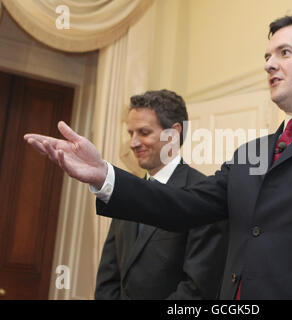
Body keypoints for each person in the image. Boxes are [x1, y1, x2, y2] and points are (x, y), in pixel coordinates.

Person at [24, 10, 292, 299]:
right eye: (267, 56)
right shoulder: (251, 154)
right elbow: (181, 204)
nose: (269, 64)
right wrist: (104, 176)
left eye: (283, 52)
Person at [94, 90, 228, 299]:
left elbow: (197, 289)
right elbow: (108, 277)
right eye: (131, 133)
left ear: (173, 134)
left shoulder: (203, 194)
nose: (133, 143)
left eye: (144, 132)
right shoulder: (127, 192)